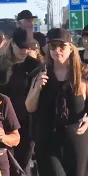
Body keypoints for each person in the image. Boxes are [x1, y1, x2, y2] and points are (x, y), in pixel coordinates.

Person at [26, 28, 88, 176]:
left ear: (71, 48)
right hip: (47, 140)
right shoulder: (40, 73)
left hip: (76, 139)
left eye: (62, 46)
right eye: (53, 46)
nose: (57, 50)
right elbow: (29, 107)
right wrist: (37, 89)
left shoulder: (83, 73)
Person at [0, 27, 40, 176]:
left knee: (23, 167)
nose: (24, 51)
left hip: (26, 124)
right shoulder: (0, 64)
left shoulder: (34, 65)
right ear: (12, 44)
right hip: (4, 123)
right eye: (21, 47)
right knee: (5, 166)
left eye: (28, 47)